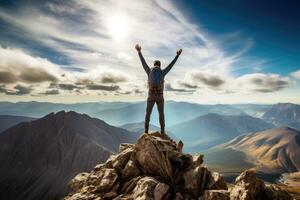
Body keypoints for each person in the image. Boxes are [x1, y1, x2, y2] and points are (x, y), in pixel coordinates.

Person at [135, 44, 182, 134]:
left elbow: (143, 63)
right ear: (160, 66)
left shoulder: (149, 71)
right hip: (160, 96)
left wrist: (139, 52)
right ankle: (162, 131)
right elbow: (171, 65)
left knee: (148, 113)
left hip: (151, 95)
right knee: (161, 114)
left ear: (154, 65)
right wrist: (177, 55)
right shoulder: (162, 72)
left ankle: (146, 131)